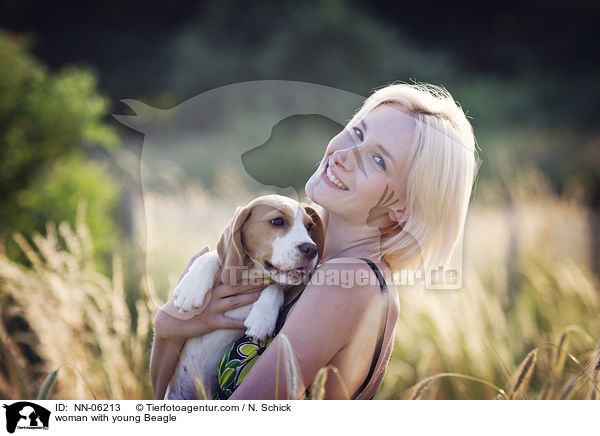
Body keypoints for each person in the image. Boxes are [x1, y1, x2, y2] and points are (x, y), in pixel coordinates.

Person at [150, 82, 478, 400]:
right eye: (358, 132)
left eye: (378, 160)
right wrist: (168, 328)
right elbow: (164, 398)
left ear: (403, 209)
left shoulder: (350, 282)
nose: (344, 155)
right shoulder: (303, 265)